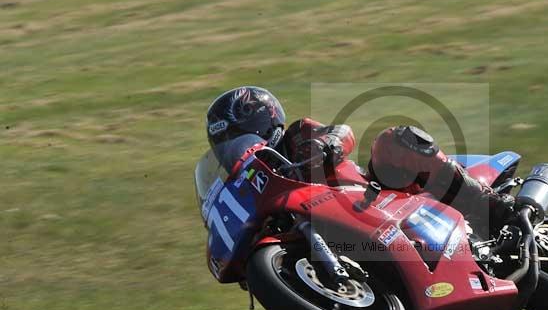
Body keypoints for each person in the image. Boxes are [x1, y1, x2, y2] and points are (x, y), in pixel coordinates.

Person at [206, 86, 515, 234]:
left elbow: (342, 132)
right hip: (351, 231)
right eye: (223, 145)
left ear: (260, 121)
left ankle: (495, 210)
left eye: (236, 137)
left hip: (373, 196)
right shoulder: (249, 185)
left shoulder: (298, 134)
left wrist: (329, 144)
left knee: (393, 140)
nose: (230, 149)